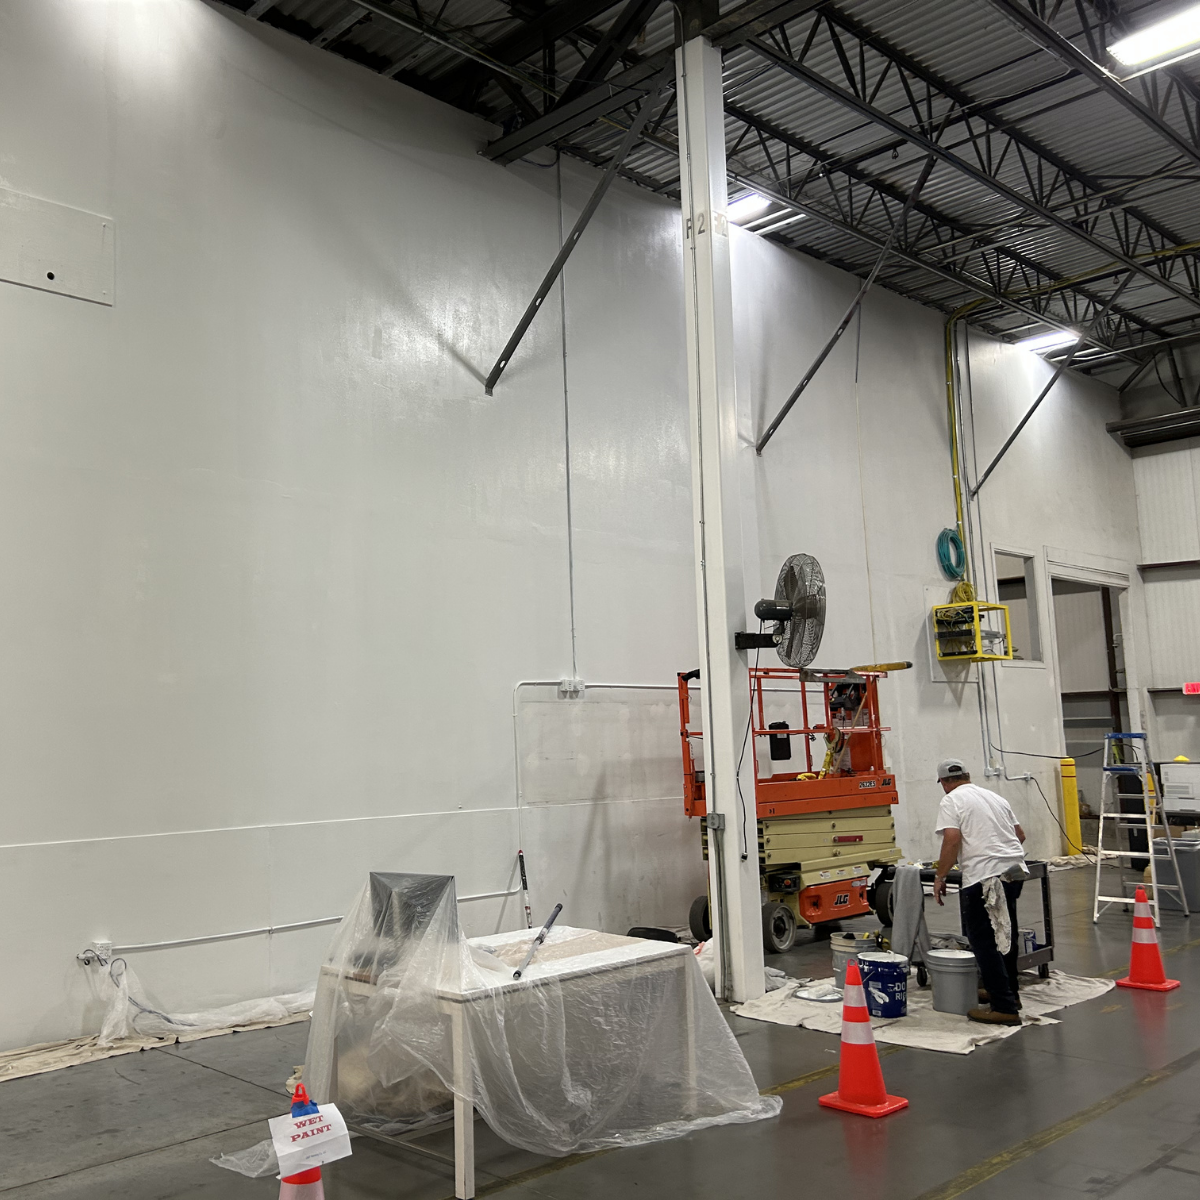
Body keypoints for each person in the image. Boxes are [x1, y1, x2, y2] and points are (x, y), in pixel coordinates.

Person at [932, 758, 1028, 1026]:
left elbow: (952, 839)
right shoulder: (995, 797)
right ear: (968, 775)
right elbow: (1019, 835)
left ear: (943, 783)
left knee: (984, 940)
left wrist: (940, 877)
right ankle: (1010, 993)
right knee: (1005, 934)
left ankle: (1004, 1007)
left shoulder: (951, 801)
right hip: (1013, 872)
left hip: (985, 878)